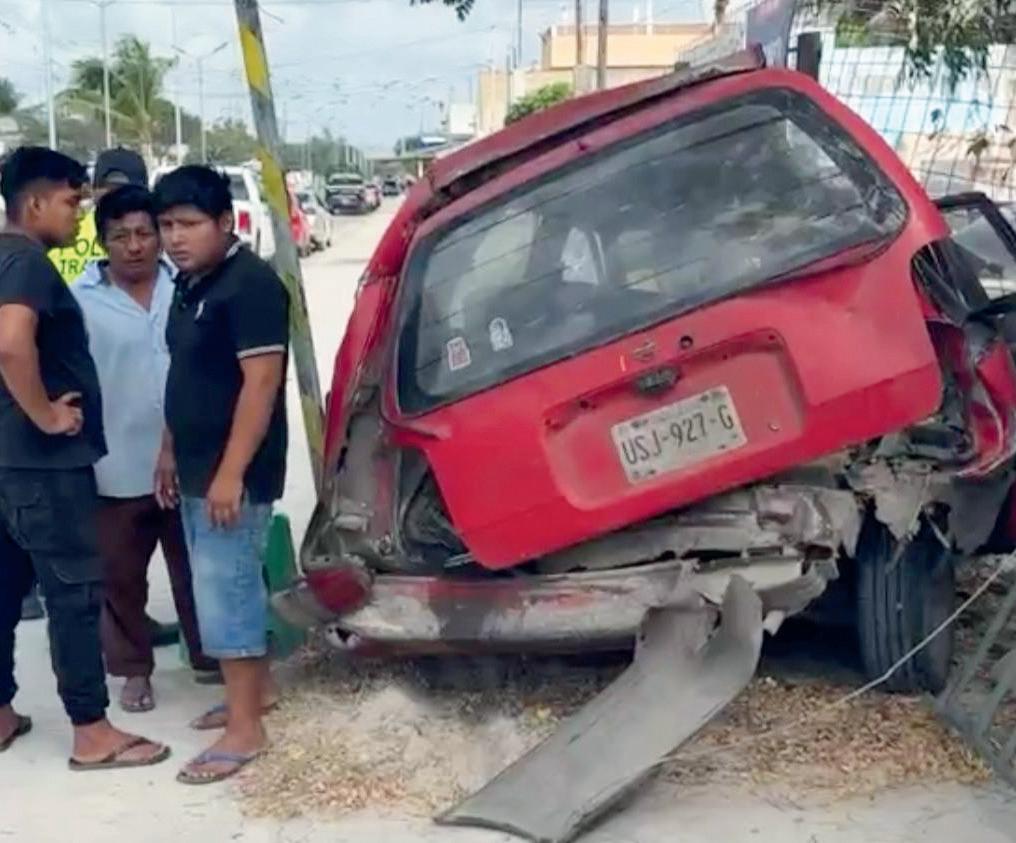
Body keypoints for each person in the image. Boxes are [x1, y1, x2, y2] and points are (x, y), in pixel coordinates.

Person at [0, 146, 168, 769]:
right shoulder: (27, 263)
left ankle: (1, 711)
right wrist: (46, 414)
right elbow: (10, 344)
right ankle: (92, 731)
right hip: (42, 464)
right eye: (72, 201)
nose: (78, 214)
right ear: (35, 203)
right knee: (72, 593)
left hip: (8, 461)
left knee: (4, 590)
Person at [153, 166, 288, 784]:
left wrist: (231, 472)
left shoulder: (250, 286)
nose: (174, 238)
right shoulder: (190, 284)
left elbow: (261, 385)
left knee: (224, 592)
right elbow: (185, 375)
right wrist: (168, 450)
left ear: (225, 222)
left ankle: (245, 730)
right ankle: (254, 696)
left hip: (233, 472)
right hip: (195, 463)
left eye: (188, 224)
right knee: (229, 585)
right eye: (166, 225)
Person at [71, 184, 217, 713]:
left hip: (190, 461)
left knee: (197, 568)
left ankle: (209, 657)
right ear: (102, 243)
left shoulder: (189, 286)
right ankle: (134, 671)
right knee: (120, 579)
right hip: (114, 464)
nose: (134, 246)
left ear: (158, 236)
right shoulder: (79, 301)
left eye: (143, 233)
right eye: (120, 236)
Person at [47, 147, 148, 284]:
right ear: (93, 191)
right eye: (108, 189)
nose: (115, 198)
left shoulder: (160, 232)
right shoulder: (66, 231)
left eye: (122, 191)